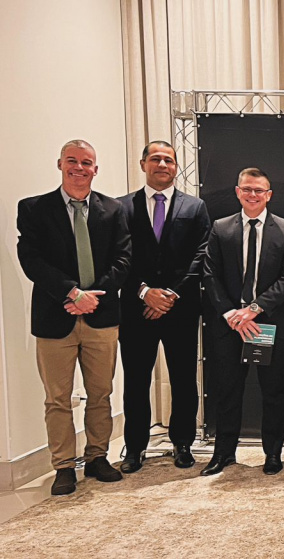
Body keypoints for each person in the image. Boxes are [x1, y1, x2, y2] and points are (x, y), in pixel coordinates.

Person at [16, 140, 132, 495]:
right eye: (72, 161)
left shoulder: (113, 209)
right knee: (57, 398)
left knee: (101, 393)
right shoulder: (34, 208)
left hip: (101, 316)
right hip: (56, 317)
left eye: (86, 162)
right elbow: (31, 259)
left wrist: (92, 298)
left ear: (95, 169)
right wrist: (72, 293)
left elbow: (124, 259)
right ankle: (64, 466)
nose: (79, 168)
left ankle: (97, 457)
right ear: (60, 164)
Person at [200, 168, 284, 476]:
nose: (252, 195)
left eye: (259, 190)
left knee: (273, 392)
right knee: (227, 391)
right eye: (247, 189)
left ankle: (273, 453)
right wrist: (231, 313)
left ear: (269, 195)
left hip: (267, 323)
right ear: (237, 192)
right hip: (230, 324)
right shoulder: (221, 228)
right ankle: (223, 453)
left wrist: (254, 309)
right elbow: (210, 275)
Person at [118, 141, 211, 473]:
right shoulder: (121, 207)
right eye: (155, 159)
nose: (162, 164)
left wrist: (170, 294)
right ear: (142, 163)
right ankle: (135, 447)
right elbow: (117, 258)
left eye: (168, 160)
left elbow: (202, 255)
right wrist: (144, 292)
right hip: (136, 309)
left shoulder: (195, 207)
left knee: (184, 379)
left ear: (176, 166)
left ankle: (182, 443)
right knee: (136, 381)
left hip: (180, 308)